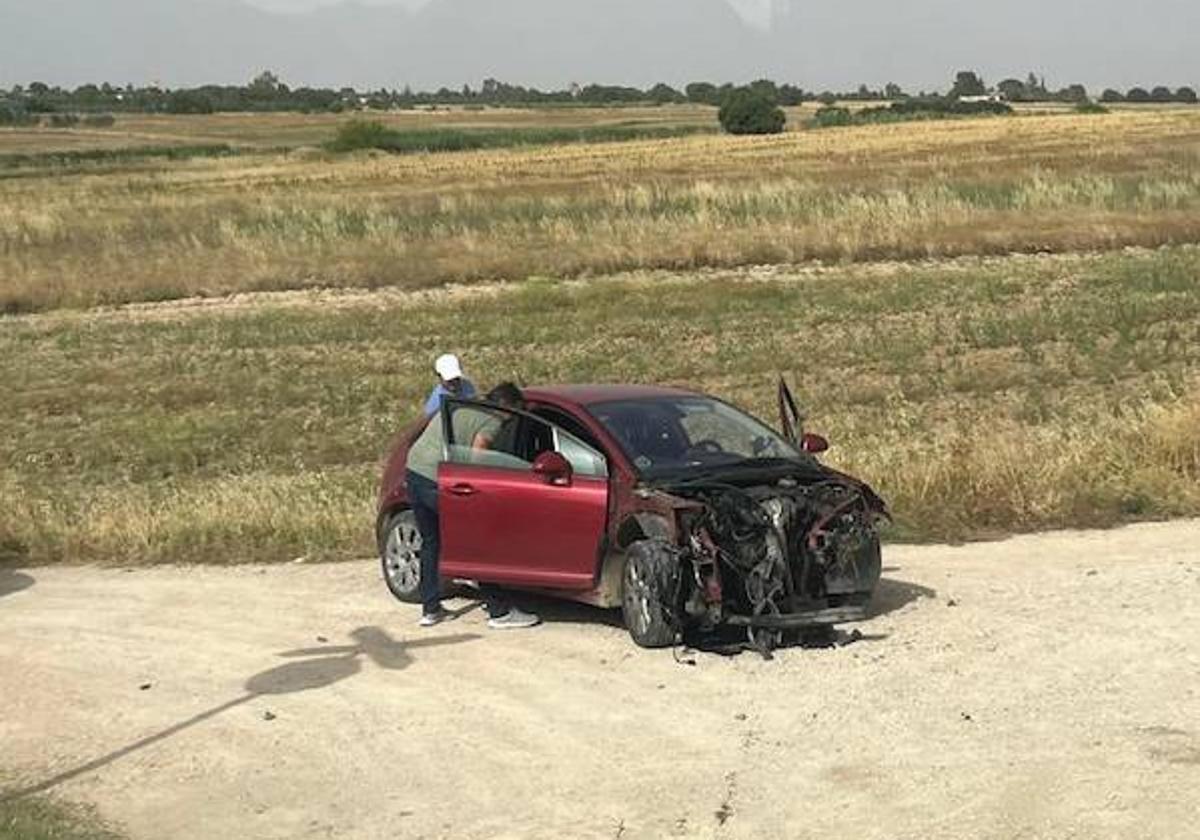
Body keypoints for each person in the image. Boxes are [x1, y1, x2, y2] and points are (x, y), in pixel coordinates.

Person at [405, 367, 540, 630]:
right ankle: (498, 611)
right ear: (507, 407)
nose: (511, 421)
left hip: (415, 470)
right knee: (476, 542)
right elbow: (480, 456)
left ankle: (430, 609)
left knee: (431, 542)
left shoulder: (463, 404)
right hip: (437, 477)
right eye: (513, 414)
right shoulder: (492, 419)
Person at [423, 353, 476, 418]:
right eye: (449, 380)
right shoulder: (435, 403)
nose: (454, 383)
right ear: (439, 376)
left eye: (456, 379)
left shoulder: (467, 385)